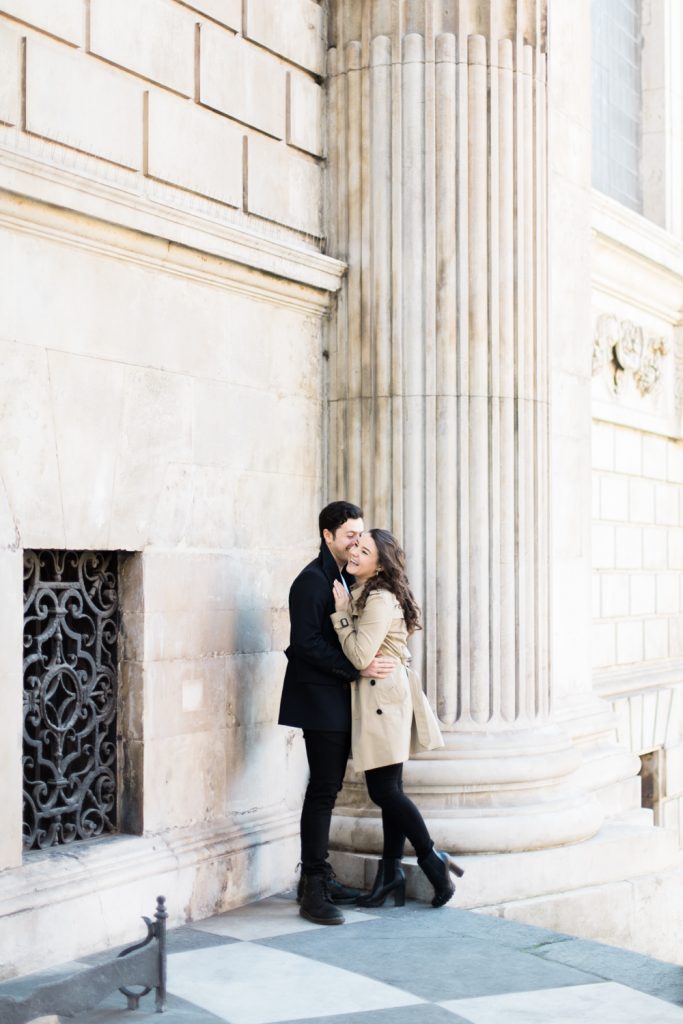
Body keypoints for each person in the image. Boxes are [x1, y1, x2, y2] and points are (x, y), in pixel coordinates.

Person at [331, 528, 464, 908]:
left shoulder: (378, 599)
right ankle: (389, 876)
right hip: (383, 697)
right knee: (391, 791)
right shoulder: (369, 593)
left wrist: (341, 616)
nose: (355, 551)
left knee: (384, 791)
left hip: (383, 700)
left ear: (379, 564)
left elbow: (359, 655)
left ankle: (431, 858)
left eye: (364, 548)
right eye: (355, 544)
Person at [278, 501, 398, 925]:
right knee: (323, 790)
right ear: (327, 535)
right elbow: (304, 645)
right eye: (349, 535)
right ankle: (312, 886)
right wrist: (357, 666)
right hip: (319, 700)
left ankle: (320, 875)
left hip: (342, 697)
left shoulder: (347, 579)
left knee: (329, 788)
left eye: (359, 535)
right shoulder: (311, 582)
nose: (356, 543)